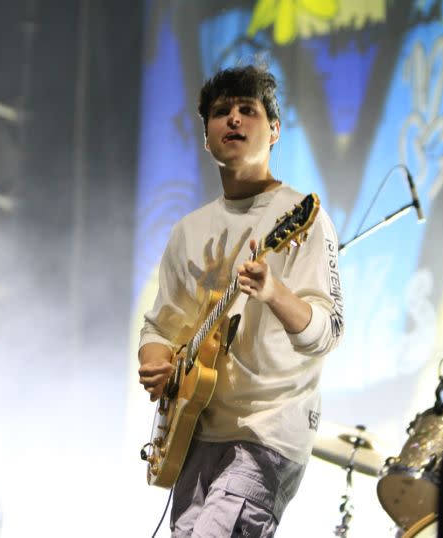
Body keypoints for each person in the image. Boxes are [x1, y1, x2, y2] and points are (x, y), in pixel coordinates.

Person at [138, 65, 344, 537]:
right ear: (206, 137)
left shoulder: (303, 218)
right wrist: (156, 362)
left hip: (268, 436)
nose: (233, 119)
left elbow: (328, 333)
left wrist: (273, 292)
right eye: (220, 112)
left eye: (247, 110)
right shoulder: (188, 230)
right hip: (194, 432)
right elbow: (159, 328)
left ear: (274, 130)